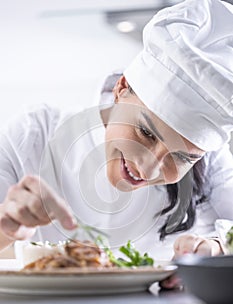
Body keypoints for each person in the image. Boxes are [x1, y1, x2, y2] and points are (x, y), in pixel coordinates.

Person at [0, 0, 232, 274]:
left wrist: (216, 248)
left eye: (182, 157)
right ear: (121, 88)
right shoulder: (35, 133)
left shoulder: (214, 166)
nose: (147, 168)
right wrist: (6, 226)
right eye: (145, 132)